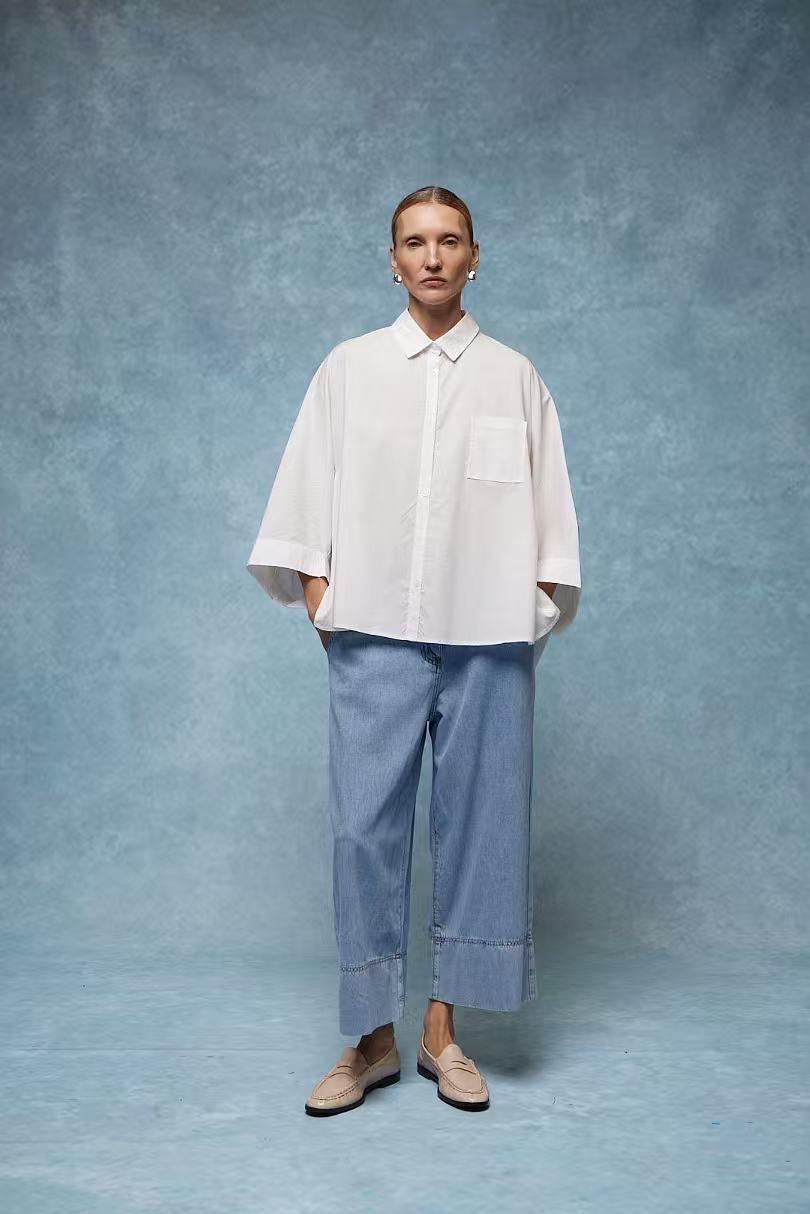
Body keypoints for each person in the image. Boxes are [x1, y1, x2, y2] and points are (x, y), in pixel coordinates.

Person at [247, 185, 582, 1116]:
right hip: (373, 635)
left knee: (484, 828)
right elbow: (305, 485)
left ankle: (442, 1032)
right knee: (364, 831)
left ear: (475, 256)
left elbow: (552, 511)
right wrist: (322, 600)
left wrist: (530, 610)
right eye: (414, 242)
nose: (432, 257)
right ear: (391, 261)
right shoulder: (349, 369)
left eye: (450, 240)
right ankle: (370, 1040)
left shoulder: (514, 377)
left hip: (489, 642)